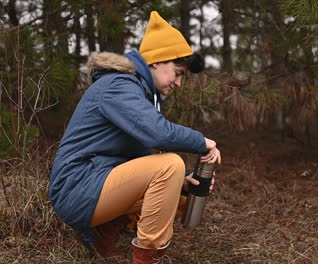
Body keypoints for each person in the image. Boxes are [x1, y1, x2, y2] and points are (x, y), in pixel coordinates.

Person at [48, 11, 221, 263]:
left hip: (95, 182)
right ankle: (148, 257)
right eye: (178, 72)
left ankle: (103, 231)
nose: (178, 83)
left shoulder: (139, 92)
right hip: (77, 187)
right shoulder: (118, 86)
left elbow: (140, 158)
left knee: (179, 198)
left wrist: (182, 183)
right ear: (157, 61)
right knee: (171, 163)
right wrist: (203, 141)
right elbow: (159, 132)